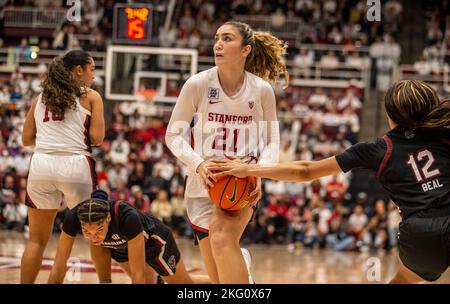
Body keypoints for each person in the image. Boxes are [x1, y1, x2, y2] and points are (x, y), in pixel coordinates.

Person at [211, 80, 449, 284]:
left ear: (390, 115)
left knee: (404, 280)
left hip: (419, 234)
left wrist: (249, 169)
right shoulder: (443, 134)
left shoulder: (377, 149)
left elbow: (306, 171)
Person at [165, 20, 288, 283]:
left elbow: (272, 142)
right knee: (218, 277)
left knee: (221, 237)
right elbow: (173, 135)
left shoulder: (262, 91)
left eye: (228, 38)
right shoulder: (197, 84)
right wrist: (199, 164)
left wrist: (257, 172)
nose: (218, 44)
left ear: (245, 49)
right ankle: (242, 262)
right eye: (217, 38)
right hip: (202, 183)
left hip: (241, 181)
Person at [21, 49, 105, 283]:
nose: (93, 76)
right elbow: (97, 139)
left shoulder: (40, 98)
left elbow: (26, 139)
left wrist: (52, 141)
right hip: (75, 165)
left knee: (36, 240)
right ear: (79, 70)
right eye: (92, 70)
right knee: (95, 235)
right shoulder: (91, 96)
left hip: (41, 164)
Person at [47, 190, 211, 284]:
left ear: (108, 218)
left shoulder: (127, 216)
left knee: (183, 284)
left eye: (98, 230)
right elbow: (59, 264)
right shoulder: (73, 216)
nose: (92, 236)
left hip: (155, 243)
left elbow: (138, 275)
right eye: (87, 232)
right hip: (122, 247)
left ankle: (222, 282)